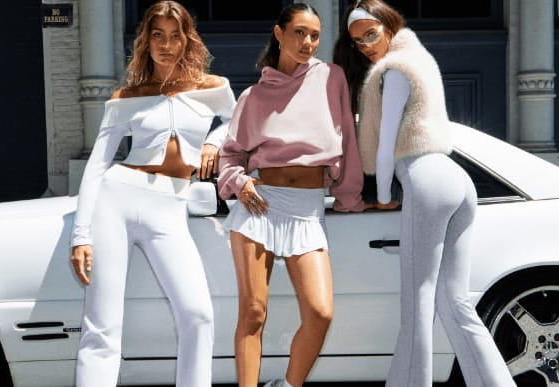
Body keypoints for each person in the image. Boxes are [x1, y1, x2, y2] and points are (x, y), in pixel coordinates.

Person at [335, 1, 512, 385]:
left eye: (370, 34)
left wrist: (382, 196)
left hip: (425, 177)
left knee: (417, 306)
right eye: (357, 40)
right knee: (455, 303)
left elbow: (385, 146)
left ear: (387, 25)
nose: (365, 45)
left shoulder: (395, 70)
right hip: (455, 180)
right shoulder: (422, 60)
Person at [66, 1, 225, 386]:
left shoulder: (212, 88)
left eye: (175, 36)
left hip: (169, 207)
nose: (167, 45)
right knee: (102, 323)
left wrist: (215, 141)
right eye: (158, 35)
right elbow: (97, 165)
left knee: (198, 314)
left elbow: (238, 124)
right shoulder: (127, 97)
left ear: (187, 40)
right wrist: (81, 234)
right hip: (116, 201)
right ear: (146, 41)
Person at [218, 3, 367, 386]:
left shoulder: (331, 78)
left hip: (307, 210)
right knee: (253, 312)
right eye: (299, 32)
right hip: (260, 206)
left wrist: (350, 198)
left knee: (319, 312)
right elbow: (231, 154)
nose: (308, 42)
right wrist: (240, 181)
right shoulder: (253, 97)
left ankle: (288, 384)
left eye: (315, 35)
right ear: (279, 33)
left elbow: (347, 141)